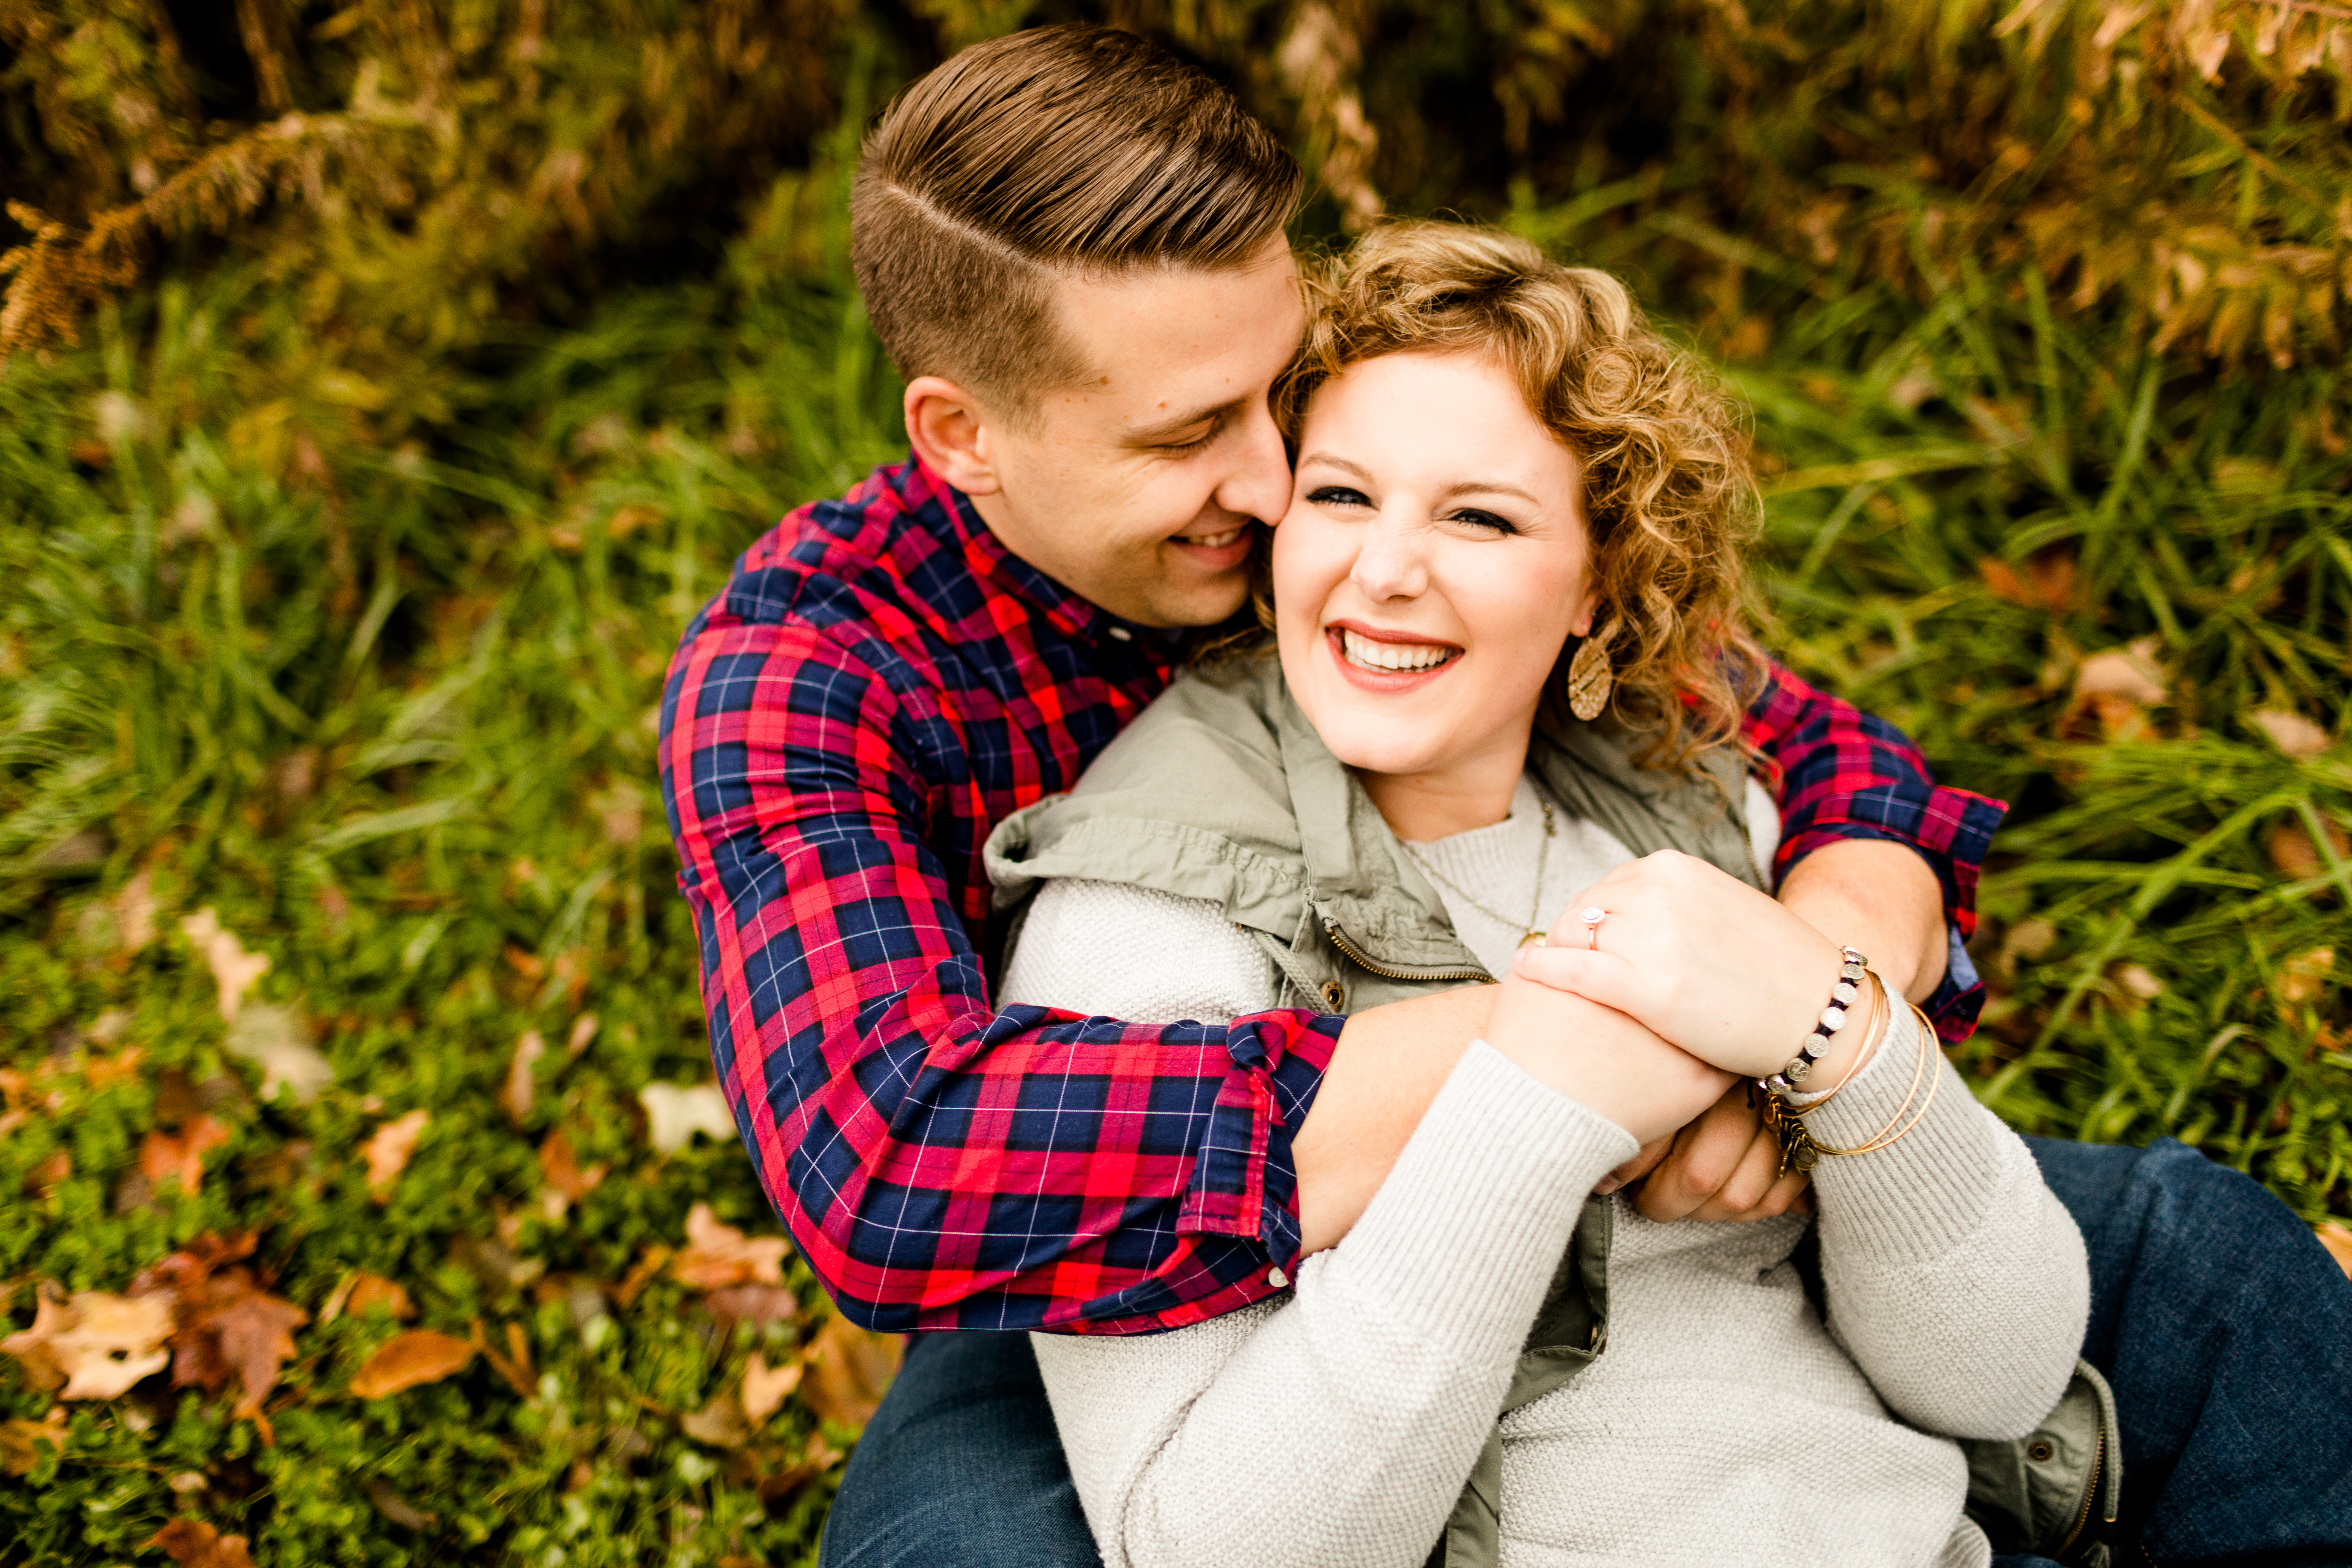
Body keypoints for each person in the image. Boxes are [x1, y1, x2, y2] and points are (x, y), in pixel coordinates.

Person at [655, 24, 2352, 1568]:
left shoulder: (1356, 514)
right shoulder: (810, 679)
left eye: (1286, 390)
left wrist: (1820, 995)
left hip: (1642, 1150)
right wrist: (1594, 1044)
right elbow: (904, 1163)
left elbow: (1820, 766)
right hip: (1092, 1279)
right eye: (1193, 434)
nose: (1267, 482)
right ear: (964, 436)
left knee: (2191, 1250)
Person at [990, 219, 2097, 1567]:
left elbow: (1999, 1384)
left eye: (1480, 516)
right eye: (1339, 496)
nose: (1387, 569)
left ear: (1597, 585)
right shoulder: (1147, 916)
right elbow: (1205, 1546)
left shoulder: (1702, 809)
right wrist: (1535, 1101)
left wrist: (1844, 1036)